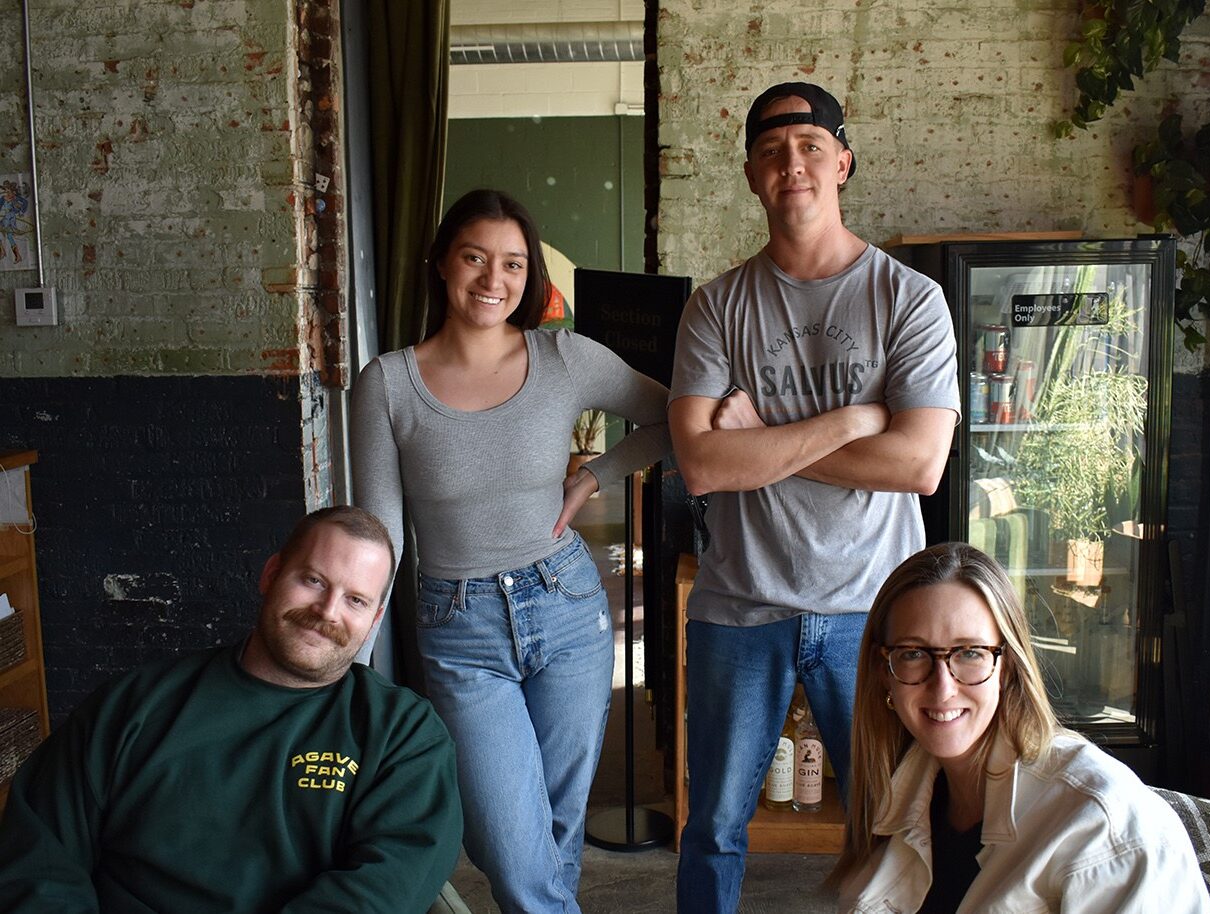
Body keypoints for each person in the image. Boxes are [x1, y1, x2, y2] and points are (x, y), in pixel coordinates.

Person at [669, 82, 959, 911]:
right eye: (769, 151)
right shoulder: (716, 307)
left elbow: (917, 465)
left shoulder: (908, 299)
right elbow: (701, 465)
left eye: (806, 145)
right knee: (714, 827)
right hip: (737, 607)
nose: (789, 163)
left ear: (842, 159)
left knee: (893, 821)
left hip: (871, 611)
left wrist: (760, 438)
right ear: (752, 176)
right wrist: (850, 420)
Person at [351, 188, 671, 914]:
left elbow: (675, 417)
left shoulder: (564, 357)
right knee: (506, 838)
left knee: (552, 834)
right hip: (458, 626)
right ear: (440, 263)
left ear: (531, 278)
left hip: (567, 610)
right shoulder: (389, 384)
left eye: (514, 264)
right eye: (474, 257)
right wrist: (357, 664)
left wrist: (595, 475)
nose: (493, 280)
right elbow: (381, 535)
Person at [0, 506, 463, 913]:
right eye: (313, 580)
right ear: (270, 575)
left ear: (374, 620)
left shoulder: (402, 735)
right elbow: (39, 856)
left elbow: (383, 891)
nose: (327, 611)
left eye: (356, 600)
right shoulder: (137, 705)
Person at [830, 542, 1210, 913]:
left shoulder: (1103, 822)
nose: (943, 688)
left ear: (1007, 666)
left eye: (970, 653)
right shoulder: (897, 788)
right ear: (885, 672)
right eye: (913, 654)